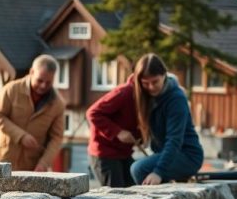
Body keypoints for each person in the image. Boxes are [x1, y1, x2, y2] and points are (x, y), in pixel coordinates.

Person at [129, 54, 204, 186]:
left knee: (138, 169)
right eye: (146, 83)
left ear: (164, 75)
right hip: (167, 153)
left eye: (155, 82)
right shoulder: (145, 96)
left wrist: (159, 172)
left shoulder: (176, 99)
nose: (151, 87)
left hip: (188, 155)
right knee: (136, 166)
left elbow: (174, 139)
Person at [0, 54, 65, 172]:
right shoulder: (11, 90)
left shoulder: (58, 104)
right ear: (31, 72)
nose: (43, 86)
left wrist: (44, 164)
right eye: (40, 80)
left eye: (48, 82)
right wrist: (21, 136)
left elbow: (56, 138)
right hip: (2, 160)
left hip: (31, 167)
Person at [86, 73, 140, 187]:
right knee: (117, 195)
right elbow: (93, 113)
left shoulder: (149, 97)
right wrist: (117, 132)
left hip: (124, 152)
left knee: (135, 191)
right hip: (105, 152)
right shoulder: (124, 92)